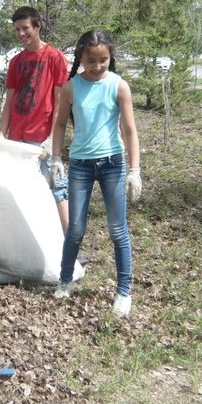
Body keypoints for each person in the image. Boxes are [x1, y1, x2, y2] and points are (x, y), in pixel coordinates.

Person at [50, 30, 142, 317]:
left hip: (113, 164)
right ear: (81, 57)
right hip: (80, 165)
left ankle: (124, 291)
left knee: (118, 231)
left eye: (104, 59)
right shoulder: (71, 87)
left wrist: (134, 169)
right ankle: (65, 280)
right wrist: (56, 159)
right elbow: (60, 125)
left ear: (110, 57)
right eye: (92, 60)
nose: (98, 65)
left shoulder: (119, 86)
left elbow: (129, 130)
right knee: (75, 228)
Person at [0, 6, 70, 232]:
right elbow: (9, 101)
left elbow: (61, 102)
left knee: (57, 189)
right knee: (24, 192)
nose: (21, 34)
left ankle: (71, 246)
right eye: (17, 30)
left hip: (42, 140)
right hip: (17, 139)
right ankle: (34, 242)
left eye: (25, 28)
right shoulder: (16, 62)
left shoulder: (55, 57)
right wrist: (2, 134)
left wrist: (52, 139)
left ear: (38, 26)